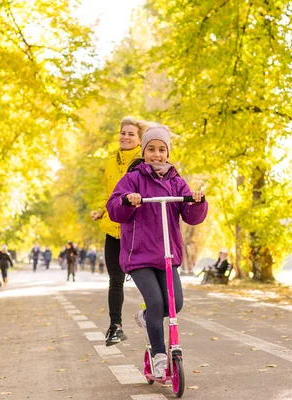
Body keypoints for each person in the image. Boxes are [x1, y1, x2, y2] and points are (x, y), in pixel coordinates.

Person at [107, 124, 208, 379]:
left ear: (167, 152)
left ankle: (145, 316)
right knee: (156, 302)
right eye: (151, 149)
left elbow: (191, 217)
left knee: (176, 305)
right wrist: (128, 200)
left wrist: (196, 201)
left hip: (167, 254)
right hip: (139, 255)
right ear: (144, 151)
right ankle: (160, 355)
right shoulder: (133, 178)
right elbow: (114, 207)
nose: (156, 154)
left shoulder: (176, 181)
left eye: (161, 150)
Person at [91, 116, 149, 346]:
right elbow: (110, 195)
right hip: (112, 227)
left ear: (140, 139)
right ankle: (115, 326)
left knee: (145, 276)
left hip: (136, 227)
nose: (125, 137)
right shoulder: (110, 162)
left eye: (131, 134)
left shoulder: (145, 161)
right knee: (115, 279)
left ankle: (147, 313)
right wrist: (100, 210)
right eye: (123, 133)